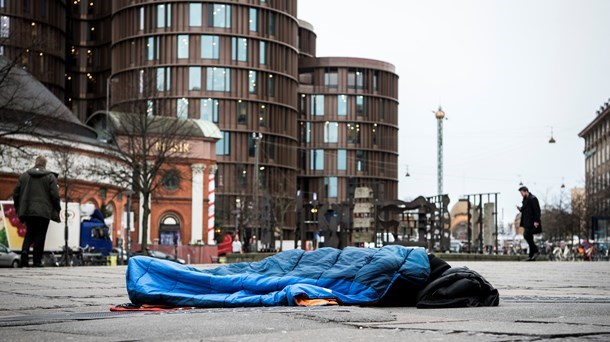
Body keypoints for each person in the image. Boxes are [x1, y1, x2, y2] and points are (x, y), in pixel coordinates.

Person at [12, 156, 61, 267]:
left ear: (35, 163)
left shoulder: (24, 175)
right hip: (44, 211)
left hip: (28, 210)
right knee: (40, 234)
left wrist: (19, 207)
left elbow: (15, 193)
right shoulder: (50, 177)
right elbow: (55, 195)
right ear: (45, 164)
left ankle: (24, 252)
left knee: (29, 232)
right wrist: (57, 208)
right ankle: (36, 260)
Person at [517, 186, 541, 261]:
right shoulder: (525, 199)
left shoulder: (533, 198)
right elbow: (525, 210)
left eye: (522, 193)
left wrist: (536, 221)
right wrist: (520, 209)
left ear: (526, 191)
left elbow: (537, 210)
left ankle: (536, 251)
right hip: (526, 221)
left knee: (526, 235)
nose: (521, 194)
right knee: (529, 237)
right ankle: (531, 256)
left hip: (532, 222)